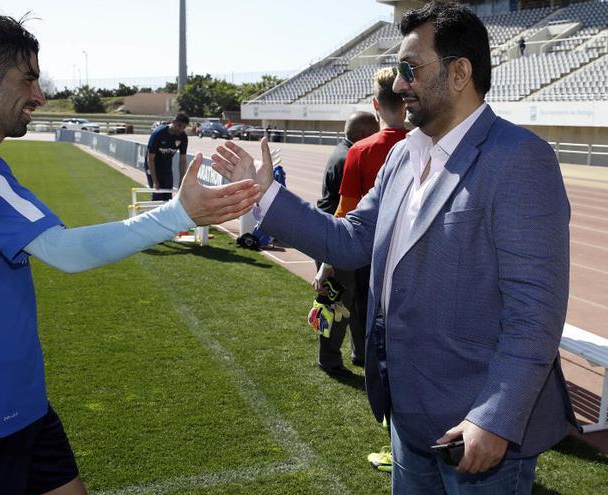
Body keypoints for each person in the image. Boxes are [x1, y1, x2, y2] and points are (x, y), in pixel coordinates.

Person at [211, 2, 576, 493]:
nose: (399, 83)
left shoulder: (519, 158)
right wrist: (265, 195)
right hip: (406, 412)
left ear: (460, 73)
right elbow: (350, 240)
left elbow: (536, 312)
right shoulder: (403, 154)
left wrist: (495, 418)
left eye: (410, 69)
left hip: (475, 426)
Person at [0, 14, 258, 495]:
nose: (40, 95)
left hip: (18, 403)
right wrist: (178, 215)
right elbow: (65, 252)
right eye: (28, 78)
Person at [334, 67, 408, 379]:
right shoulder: (428, 143)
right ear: (406, 100)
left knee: (363, 306)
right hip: (411, 246)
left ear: (375, 105)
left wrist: (328, 260)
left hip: (369, 248)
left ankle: (365, 356)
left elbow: (345, 211)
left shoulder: (359, 151)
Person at [314, 111, 379, 376]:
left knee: (358, 299)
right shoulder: (349, 157)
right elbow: (345, 209)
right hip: (337, 239)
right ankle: (328, 359)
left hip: (343, 237)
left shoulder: (345, 151)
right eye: (374, 133)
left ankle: (359, 353)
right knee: (336, 302)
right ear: (361, 135)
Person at [145, 113, 189, 201]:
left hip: (166, 166)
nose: (181, 129)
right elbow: (150, 159)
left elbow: (182, 161)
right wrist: (155, 181)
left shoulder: (183, 137)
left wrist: (181, 181)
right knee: (157, 195)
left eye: (184, 127)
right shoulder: (158, 133)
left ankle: (165, 214)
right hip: (152, 165)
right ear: (173, 122)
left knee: (168, 197)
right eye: (179, 125)